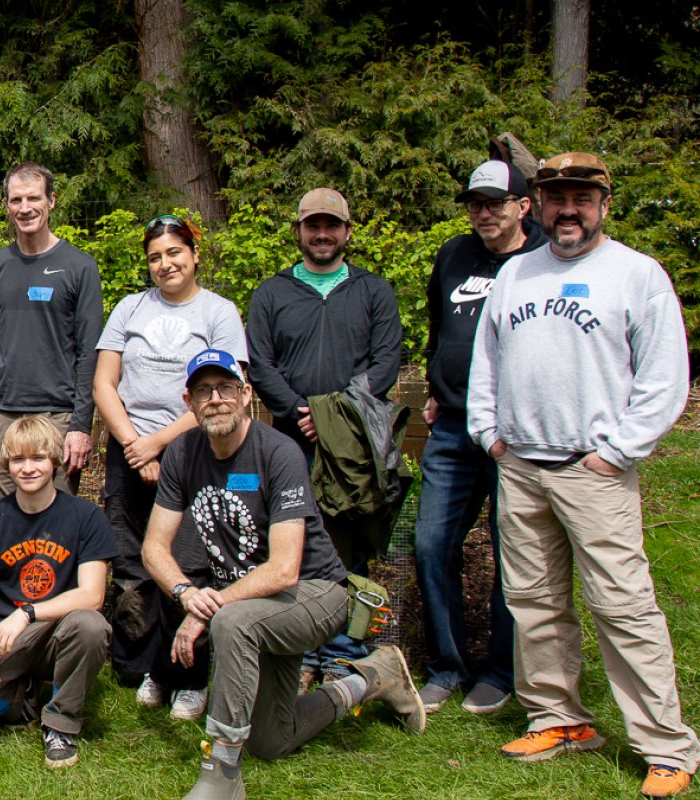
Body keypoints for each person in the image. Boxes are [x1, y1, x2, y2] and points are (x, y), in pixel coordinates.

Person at [467, 152, 698, 798]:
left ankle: (666, 745)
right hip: (523, 467)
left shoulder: (634, 275)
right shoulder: (517, 274)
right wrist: (490, 436)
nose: (569, 210)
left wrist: (619, 451)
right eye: (557, 198)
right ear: (538, 205)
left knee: (622, 606)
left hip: (593, 470)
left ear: (604, 203)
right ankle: (560, 718)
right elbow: (487, 363)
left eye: (582, 199)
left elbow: (664, 378)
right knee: (535, 604)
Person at [143, 350, 423, 800]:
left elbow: (284, 568)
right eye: (202, 391)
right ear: (188, 402)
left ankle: (221, 770)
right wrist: (185, 594)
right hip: (255, 604)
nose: (215, 399)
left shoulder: (279, 453)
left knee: (229, 621)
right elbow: (154, 547)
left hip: (314, 593)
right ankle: (374, 677)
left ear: (247, 395)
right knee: (273, 739)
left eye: (226, 388)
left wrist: (207, 608)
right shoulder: (182, 453)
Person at [245, 187, 402, 684]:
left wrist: (337, 414)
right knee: (292, 542)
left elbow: (386, 360)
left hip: (353, 446)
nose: (322, 234)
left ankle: (342, 652)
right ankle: (300, 652)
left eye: (331, 226)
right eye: (313, 225)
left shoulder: (372, 290)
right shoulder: (273, 293)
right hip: (289, 439)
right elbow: (260, 363)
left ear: (347, 232)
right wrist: (298, 408)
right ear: (299, 232)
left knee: (348, 546)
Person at [92, 214, 246, 716]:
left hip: (193, 449)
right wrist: (134, 444)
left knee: (191, 560)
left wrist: (158, 444)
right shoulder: (129, 308)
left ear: (195, 255)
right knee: (132, 559)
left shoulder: (219, 312)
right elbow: (104, 384)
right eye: (155, 256)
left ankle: (189, 673)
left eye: (175, 253)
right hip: (127, 447)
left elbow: (225, 391)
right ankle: (141, 666)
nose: (165, 264)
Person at [413, 159, 544, 715]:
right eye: (475, 203)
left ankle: (500, 670)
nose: (484, 213)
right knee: (430, 543)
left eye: (495, 202)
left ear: (523, 206)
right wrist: (437, 378)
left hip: (515, 433)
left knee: (512, 549)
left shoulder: (542, 260)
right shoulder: (454, 254)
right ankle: (447, 665)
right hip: (451, 428)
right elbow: (439, 322)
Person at [0, 416, 114, 768]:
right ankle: (18, 700)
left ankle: (60, 721)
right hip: (0, 632)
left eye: (38, 458)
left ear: (54, 461)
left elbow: (92, 596)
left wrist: (26, 613)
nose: (28, 469)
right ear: (7, 464)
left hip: (56, 630)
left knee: (91, 625)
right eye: (18, 460)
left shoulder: (85, 517)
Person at [0, 162, 103, 503]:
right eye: (16, 200)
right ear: (6, 205)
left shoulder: (80, 267)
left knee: (54, 525)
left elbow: (89, 351)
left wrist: (80, 425)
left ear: (52, 201)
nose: (25, 208)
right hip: (1, 415)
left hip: (58, 415)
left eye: (34, 198)